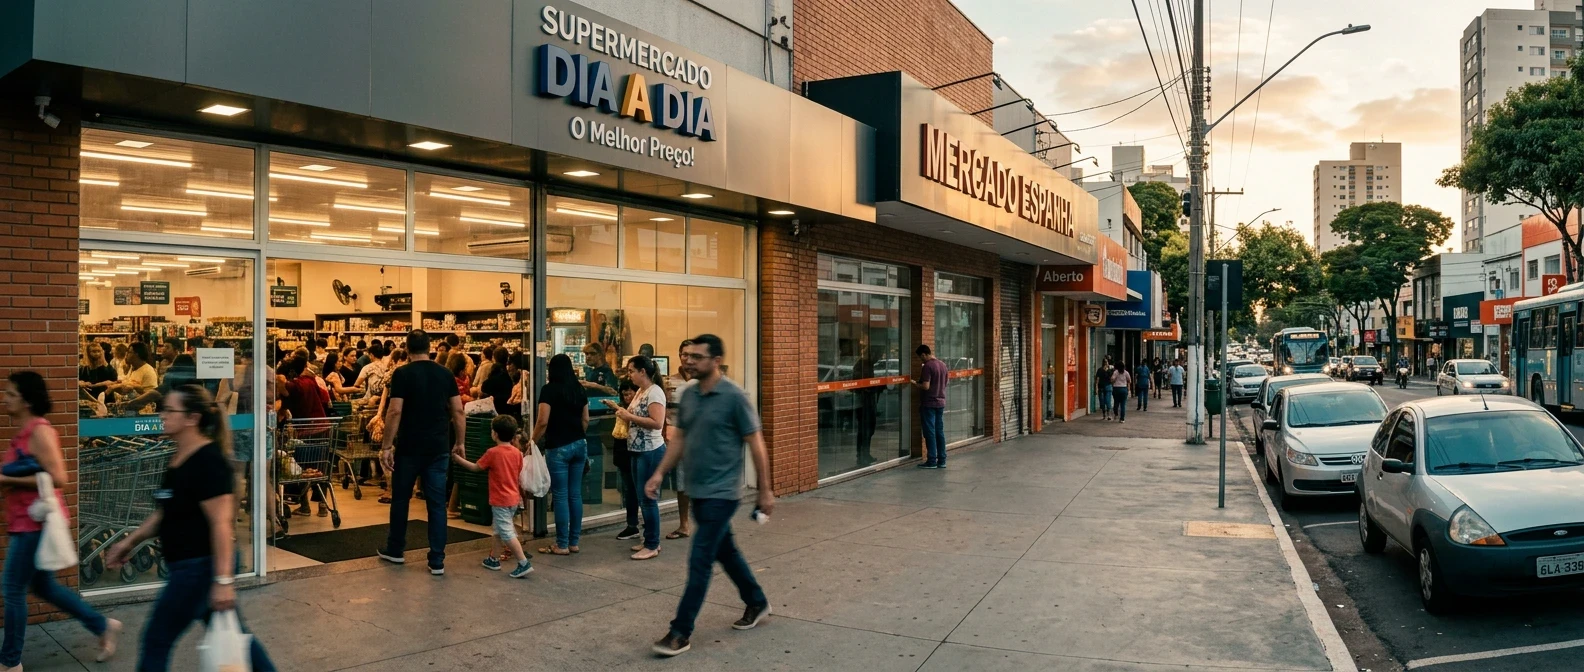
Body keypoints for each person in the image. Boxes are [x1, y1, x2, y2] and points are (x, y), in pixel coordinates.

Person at [105, 384, 274, 671]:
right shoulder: (179, 457)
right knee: (238, 635)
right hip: (193, 567)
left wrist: (222, 582)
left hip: (200, 567)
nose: (162, 415)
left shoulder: (208, 461)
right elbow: (164, 513)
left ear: (192, 418)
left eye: (170, 410)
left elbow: (221, 524)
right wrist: (128, 542)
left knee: (157, 639)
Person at [646, 334, 773, 657]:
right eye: (686, 354)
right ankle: (756, 601)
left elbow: (756, 443)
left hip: (723, 491)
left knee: (700, 559)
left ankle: (680, 631)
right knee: (726, 552)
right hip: (698, 489)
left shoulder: (734, 397)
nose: (689, 360)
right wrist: (660, 472)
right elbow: (680, 438)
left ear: (716, 361)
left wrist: (765, 490)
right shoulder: (689, 395)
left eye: (697, 356)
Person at [0, 372, 121, 671]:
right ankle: (102, 625)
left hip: (35, 526)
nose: (5, 398)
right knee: (44, 588)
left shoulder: (39, 431)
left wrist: (4, 478)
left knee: (13, 588)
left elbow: (59, 478)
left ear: (26, 400)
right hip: (25, 522)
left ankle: (10, 662)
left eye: (11, 394)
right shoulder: (24, 432)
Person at [377, 330, 465, 575]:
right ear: (431, 347)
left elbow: (394, 412)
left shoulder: (402, 374)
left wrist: (386, 446)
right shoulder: (445, 373)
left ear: (406, 348)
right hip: (438, 447)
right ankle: (437, 560)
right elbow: (458, 411)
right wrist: (460, 441)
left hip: (409, 448)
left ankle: (395, 550)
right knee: (437, 504)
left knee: (401, 499)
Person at [451, 415, 533, 578]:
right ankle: (493, 559)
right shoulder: (517, 453)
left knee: (506, 532)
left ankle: (523, 562)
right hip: (513, 499)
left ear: (494, 434)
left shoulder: (493, 453)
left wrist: (458, 459)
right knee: (498, 530)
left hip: (500, 500)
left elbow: (476, 468)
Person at [610, 355, 667, 560]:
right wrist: (620, 411)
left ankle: (652, 544)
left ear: (643, 372)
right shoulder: (641, 392)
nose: (630, 375)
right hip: (635, 450)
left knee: (648, 498)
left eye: (632, 371)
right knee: (641, 497)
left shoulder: (655, 392)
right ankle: (650, 538)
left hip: (649, 451)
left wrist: (629, 417)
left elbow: (657, 422)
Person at [534, 354, 589, 556]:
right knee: (575, 494)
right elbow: (586, 420)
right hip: (579, 444)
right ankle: (573, 542)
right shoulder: (579, 389)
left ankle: (561, 544)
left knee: (560, 495)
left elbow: (542, 421)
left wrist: (532, 441)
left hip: (558, 446)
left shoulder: (548, 390)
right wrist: (577, 435)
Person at [665, 340, 695, 541]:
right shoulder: (670, 381)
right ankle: (684, 524)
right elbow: (665, 411)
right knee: (682, 484)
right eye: (683, 354)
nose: (687, 358)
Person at [611, 379, 641, 542]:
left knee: (634, 490)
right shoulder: (623, 408)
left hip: (634, 452)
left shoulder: (635, 409)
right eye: (624, 394)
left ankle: (633, 524)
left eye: (629, 393)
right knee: (629, 490)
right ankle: (633, 523)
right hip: (623, 453)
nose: (627, 397)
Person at [913, 344, 948, 469]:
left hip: (929, 404)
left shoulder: (927, 366)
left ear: (924, 354)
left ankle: (932, 460)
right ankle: (942, 460)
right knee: (939, 431)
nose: (921, 360)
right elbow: (945, 383)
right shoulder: (943, 365)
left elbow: (926, 386)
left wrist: (916, 384)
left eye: (920, 357)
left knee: (930, 432)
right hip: (941, 402)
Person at [109, 342, 159, 413]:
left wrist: (135, 387)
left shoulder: (148, 371)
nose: (126, 355)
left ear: (136, 354)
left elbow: (152, 395)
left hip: (143, 414)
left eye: (129, 352)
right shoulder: (133, 368)